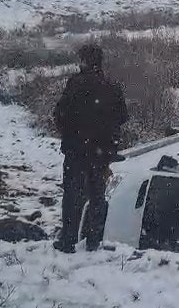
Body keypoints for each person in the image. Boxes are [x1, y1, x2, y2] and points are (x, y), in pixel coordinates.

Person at [54, 43, 128, 253]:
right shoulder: (111, 86)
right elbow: (122, 116)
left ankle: (68, 240)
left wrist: (72, 132)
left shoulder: (75, 84)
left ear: (84, 61)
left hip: (77, 150)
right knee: (97, 196)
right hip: (101, 152)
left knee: (72, 196)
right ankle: (94, 239)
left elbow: (60, 114)